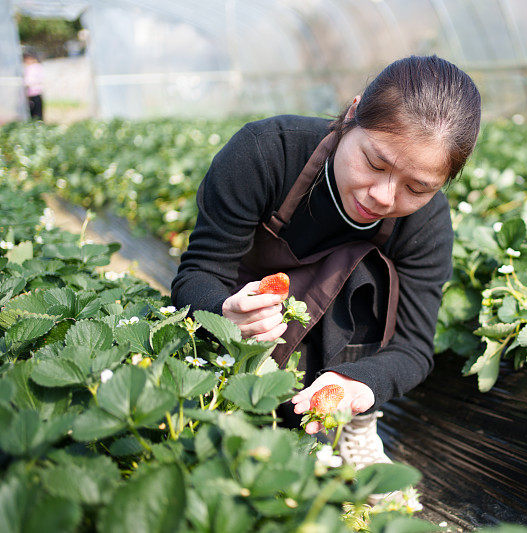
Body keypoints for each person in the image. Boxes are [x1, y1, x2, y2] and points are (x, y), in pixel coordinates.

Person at [171, 55, 481, 469]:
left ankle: (356, 424)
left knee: (371, 269)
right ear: (352, 114)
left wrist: (359, 384)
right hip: (245, 337)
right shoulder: (266, 153)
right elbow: (199, 272)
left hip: (338, 356)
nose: (384, 196)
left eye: (417, 187)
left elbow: (414, 347)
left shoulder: (426, 224)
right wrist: (222, 312)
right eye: (375, 163)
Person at [22, 51, 44, 121]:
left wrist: (26, 83)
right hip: (30, 94)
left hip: (35, 93)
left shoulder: (36, 67)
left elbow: (31, 80)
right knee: (32, 112)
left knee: (37, 112)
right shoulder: (28, 68)